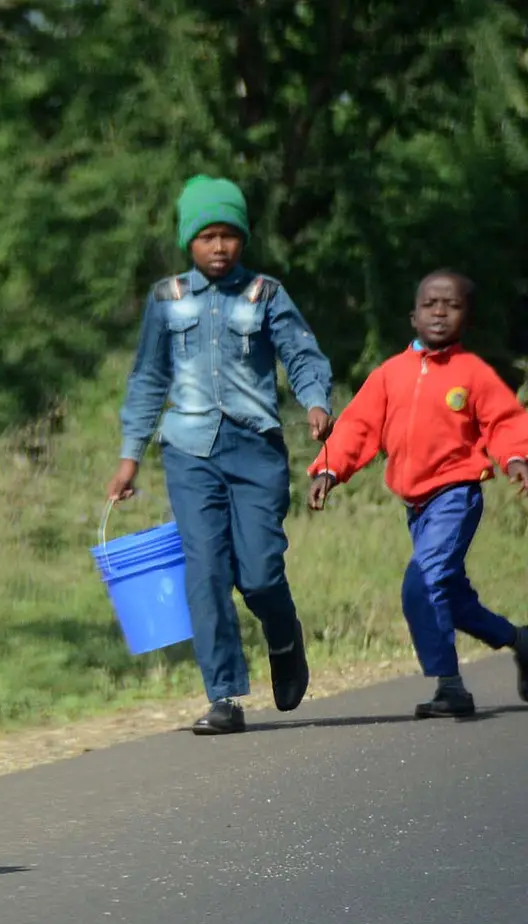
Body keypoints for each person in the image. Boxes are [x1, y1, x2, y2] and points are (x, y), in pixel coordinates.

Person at [108, 175, 334, 734]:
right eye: (206, 236)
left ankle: (283, 637)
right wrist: (130, 455)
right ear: (189, 242)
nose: (217, 247)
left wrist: (314, 401)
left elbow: (301, 354)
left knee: (258, 574)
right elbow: (148, 378)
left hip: (255, 450)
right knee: (205, 572)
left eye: (228, 235)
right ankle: (225, 695)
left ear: (243, 240)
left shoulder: (265, 294)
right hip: (188, 454)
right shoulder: (167, 299)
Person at [308, 271, 528, 718]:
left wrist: (517, 458)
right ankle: (521, 641)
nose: (440, 312)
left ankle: (450, 686)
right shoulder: (390, 374)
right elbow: (358, 426)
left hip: (456, 495)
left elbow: (504, 422)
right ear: (413, 317)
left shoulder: (472, 373)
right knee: (451, 596)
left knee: (421, 585)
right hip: (416, 505)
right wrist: (329, 468)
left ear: (467, 318)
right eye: (431, 304)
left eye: (452, 305)